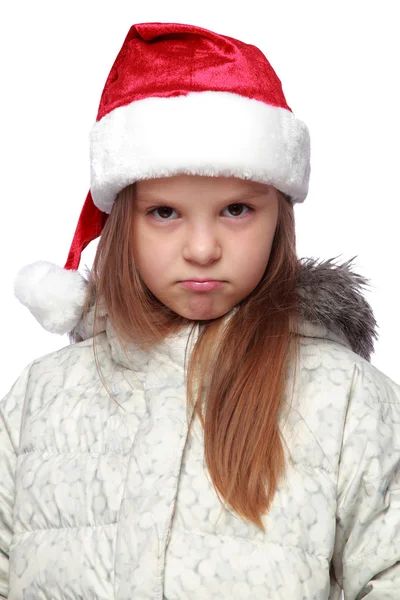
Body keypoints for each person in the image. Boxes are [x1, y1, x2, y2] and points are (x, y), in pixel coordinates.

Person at [1, 21, 399, 600]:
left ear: (279, 217)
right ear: (121, 222)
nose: (203, 248)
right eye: (165, 213)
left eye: (236, 209)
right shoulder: (41, 399)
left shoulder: (347, 403)